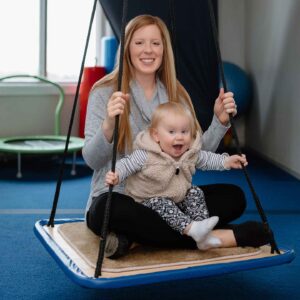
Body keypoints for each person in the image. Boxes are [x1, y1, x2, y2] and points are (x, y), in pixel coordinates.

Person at [83, 14, 270, 259]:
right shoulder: (104, 92)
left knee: (234, 197)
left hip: (169, 198)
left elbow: (195, 155)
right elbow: (91, 160)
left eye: (155, 43)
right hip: (123, 198)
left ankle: (137, 236)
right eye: (139, 42)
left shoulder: (176, 95)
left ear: (164, 50)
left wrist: (219, 122)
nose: (148, 50)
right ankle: (222, 237)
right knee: (105, 210)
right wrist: (108, 125)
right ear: (127, 47)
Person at [105, 102, 248, 251]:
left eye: (184, 132)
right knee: (161, 202)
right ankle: (190, 229)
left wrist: (226, 161)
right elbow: (127, 164)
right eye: (172, 132)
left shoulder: (189, 153)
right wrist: (116, 174)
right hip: (146, 202)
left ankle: (202, 232)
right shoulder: (146, 154)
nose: (179, 137)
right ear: (156, 135)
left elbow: (208, 159)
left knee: (195, 192)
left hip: (176, 199)